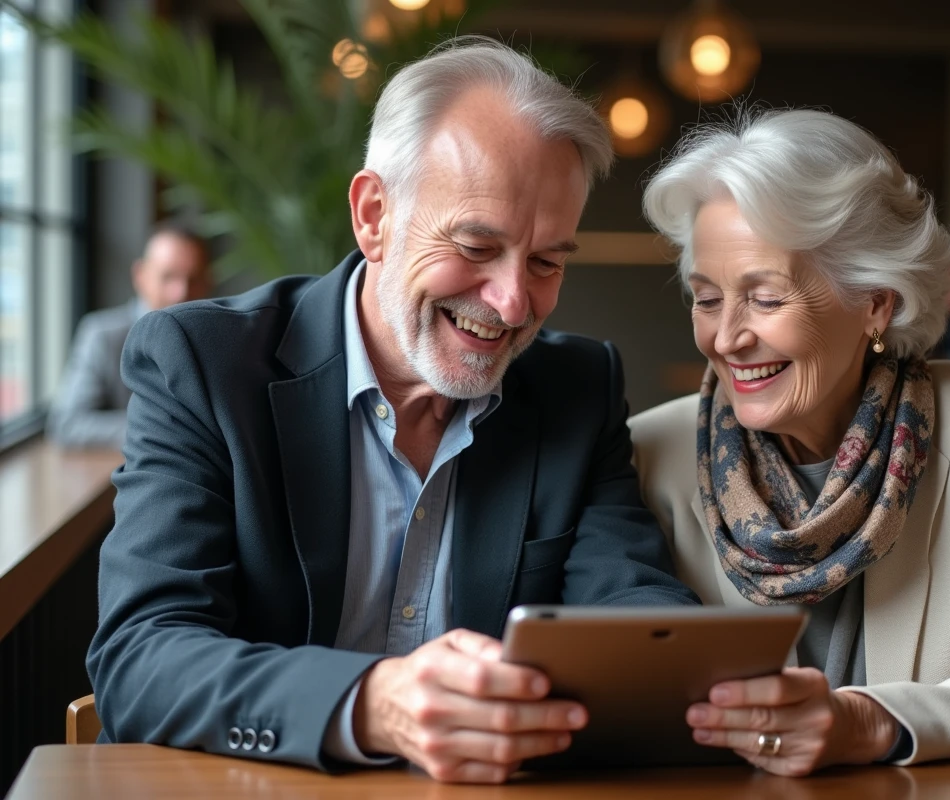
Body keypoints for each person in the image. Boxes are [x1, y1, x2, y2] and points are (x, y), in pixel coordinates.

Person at [87, 40, 697, 784]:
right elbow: (142, 657)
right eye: (477, 245)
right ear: (374, 215)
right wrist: (372, 703)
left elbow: (636, 611)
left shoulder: (576, 387)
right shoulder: (203, 365)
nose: (510, 303)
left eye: (546, 262)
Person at [629, 109, 950, 777]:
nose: (726, 337)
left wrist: (870, 723)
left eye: (765, 300)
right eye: (707, 298)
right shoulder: (648, 455)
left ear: (875, 304)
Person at [46, 225, 212, 448]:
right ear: (141, 276)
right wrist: (163, 429)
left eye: (193, 280)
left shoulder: (214, 338)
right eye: (168, 277)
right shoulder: (103, 335)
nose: (180, 293)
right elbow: (67, 424)